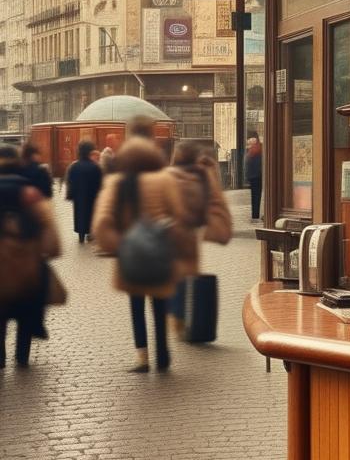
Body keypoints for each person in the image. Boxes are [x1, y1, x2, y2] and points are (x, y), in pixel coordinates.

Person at [91, 133, 186, 373]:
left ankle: (143, 357)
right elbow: (179, 215)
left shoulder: (117, 182)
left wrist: (120, 245)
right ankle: (163, 355)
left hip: (131, 254)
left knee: (136, 306)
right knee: (160, 304)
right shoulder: (164, 180)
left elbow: (101, 223)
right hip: (160, 250)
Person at [0, 146, 60, 369]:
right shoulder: (30, 192)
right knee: (25, 309)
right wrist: (47, 252)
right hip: (26, 262)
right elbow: (49, 230)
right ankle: (22, 356)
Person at [166, 141, 233, 338]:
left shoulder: (168, 178)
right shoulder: (199, 178)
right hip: (190, 236)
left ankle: (176, 318)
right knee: (187, 275)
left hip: (170, 235)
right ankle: (186, 317)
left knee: (173, 277)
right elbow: (212, 201)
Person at [66, 140, 103, 244]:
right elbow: (99, 183)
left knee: (79, 214)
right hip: (92, 196)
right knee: (91, 214)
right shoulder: (95, 167)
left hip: (78, 196)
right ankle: (90, 233)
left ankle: (81, 235)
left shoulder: (74, 166)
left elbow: (70, 181)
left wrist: (71, 194)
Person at [244, 134, 262, 223]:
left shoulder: (256, 150)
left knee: (255, 197)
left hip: (256, 177)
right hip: (254, 176)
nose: (249, 141)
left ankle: (255, 215)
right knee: (255, 197)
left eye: (250, 139)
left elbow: (254, 164)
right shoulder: (254, 149)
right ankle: (255, 215)